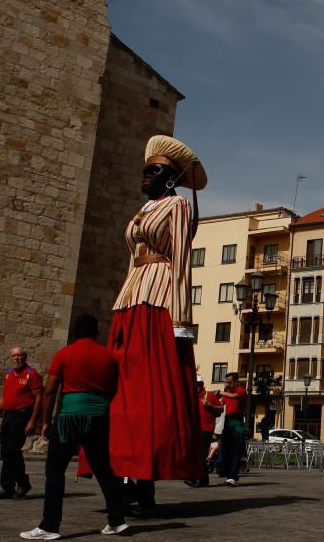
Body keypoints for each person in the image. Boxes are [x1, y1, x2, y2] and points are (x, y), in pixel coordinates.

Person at [108, 135, 207, 507]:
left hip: (159, 297)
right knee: (123, 393)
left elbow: (181, 261)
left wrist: (182, 321)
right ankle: (122, 467)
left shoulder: (178, 206)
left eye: (153, 171)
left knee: (149, 392)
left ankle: (145, 480)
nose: (144, 178)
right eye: (144, 171)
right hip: (131, 297)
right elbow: (131, 259)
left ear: (169, 177)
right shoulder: (140, 212)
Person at [20, 315, 127, 540]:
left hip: (70, 417)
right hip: (99, 417)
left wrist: (47, 421)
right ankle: (117, 520)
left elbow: (50, 391)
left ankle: (50, 525)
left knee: (55, 470)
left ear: (75, 332)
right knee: (104, 469)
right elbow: (113, 388)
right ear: (96, 332)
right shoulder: (109, 357)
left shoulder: (64, 354)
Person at [0, 345, 43, 500]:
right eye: (14, 356)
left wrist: (33, 421)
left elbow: (39, 398)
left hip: (22, 416)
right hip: (8, 416)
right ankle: (9, 487)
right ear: (10, 358)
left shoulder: (31, 374)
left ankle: (21, 483)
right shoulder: (9, 374)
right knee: (6, 452)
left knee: (13, 450)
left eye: (19, 355)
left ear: (24, 357)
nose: (16, 358)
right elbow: (3, 398)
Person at [187, 377, 222, 487]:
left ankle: (195, 479)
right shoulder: (192, 396)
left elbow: (221, 409)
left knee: (200, 454)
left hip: (206, 429)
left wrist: (210, 406)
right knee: (197, 454)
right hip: (194, 430)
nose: (196, 386)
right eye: (195, 384)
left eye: (198, 384)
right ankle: (203, 480)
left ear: (202, 384)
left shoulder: (209, 395)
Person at [218, 372, 247, 486]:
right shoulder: (228, 391)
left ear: (236, 381)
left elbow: (234, 397)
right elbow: (221, 405)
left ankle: (233, 476)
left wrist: (221, 392)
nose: (228, 384)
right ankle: (229, 474)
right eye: (227, 382)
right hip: (228, 419)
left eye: (230, 382)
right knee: (226, 447)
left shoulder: (241, 390)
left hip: (238, 420)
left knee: (236, 448)